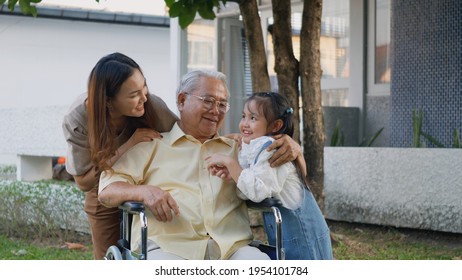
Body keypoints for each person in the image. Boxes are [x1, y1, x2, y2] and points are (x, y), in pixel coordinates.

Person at [98, 70, 304, 260]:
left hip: (231, 250)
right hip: (168, 248)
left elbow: (276, 171)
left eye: (222, 104)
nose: (216, 110)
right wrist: (144, 192)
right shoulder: (150, 145)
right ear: (181, 100)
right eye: (208, 101)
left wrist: (292, 145)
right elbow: (107, 190)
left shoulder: (239, 150)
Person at [62, 52, 178, 260]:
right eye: (134, 94)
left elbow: (185, 138)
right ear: (109, 101)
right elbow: (84, 182)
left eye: (145, 87)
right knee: (109, 257)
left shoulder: (152, 105)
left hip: (150, 181)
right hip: (103, 187)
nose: (144, 97)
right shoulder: (78, 119)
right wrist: (129, 145)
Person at [205, 91, 333, 260]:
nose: (245, 123)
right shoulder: (255, 148)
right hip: (288, 235)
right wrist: (233, 175)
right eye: (244, 116)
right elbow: (248, 189)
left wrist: (231, 164)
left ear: (275, 126)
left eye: (253, 118)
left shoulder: (273, 151)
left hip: (305, 235)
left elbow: (258, 191)